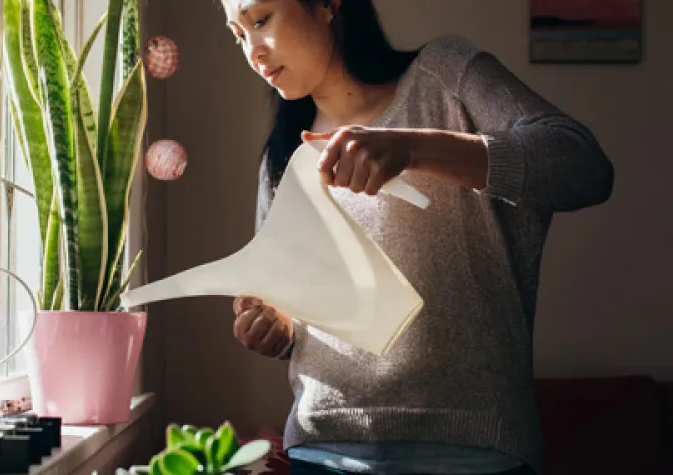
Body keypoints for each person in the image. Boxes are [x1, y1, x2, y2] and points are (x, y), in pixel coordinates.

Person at [221, 0, 615, 474]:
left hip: (473, 451)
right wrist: (272, 324)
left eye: (260, 20)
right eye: (237, 35)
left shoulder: (445, 75)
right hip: (322, 450)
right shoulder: (282, 156)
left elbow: (583, 167)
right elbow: (286, 313)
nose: (252, 51)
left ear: (327, 4)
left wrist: (410, 147)